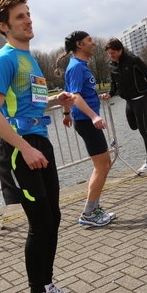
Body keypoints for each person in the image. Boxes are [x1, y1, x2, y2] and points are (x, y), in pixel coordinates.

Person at [0, 0, 83, 293]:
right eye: (19, 17)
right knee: (40, 224)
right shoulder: (6, 59)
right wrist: (24, 148)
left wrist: (56, 101)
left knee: (52, 218)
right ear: (4, 26)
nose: (28, 20)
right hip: (19, 148)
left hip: (40, 142)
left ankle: (48, 286)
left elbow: (31, 103)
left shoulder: (30, 58)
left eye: (28, 14)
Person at [54, 31, 115, 227]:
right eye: (90, 41)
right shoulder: (76, 67)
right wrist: (94, 116)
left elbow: (67, 94)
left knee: (104, 164)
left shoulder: (79, 66)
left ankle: (93, 208)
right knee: (102, 166)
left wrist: (65, 114)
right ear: (80, 44)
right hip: (87, 122)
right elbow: (76, 96)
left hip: (85, 120)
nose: (94, 43)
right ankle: (89, 213)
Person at [100, 38, 147, 173]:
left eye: (113, 53)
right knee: (134, 126)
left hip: (141, 98)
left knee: (144, 130)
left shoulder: (133, 60)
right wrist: (109, 93)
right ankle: (143, 119)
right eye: (109, 53)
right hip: (129, 101)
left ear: (120, 50)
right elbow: (114, 83)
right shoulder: (112, 65)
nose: (111, 56)